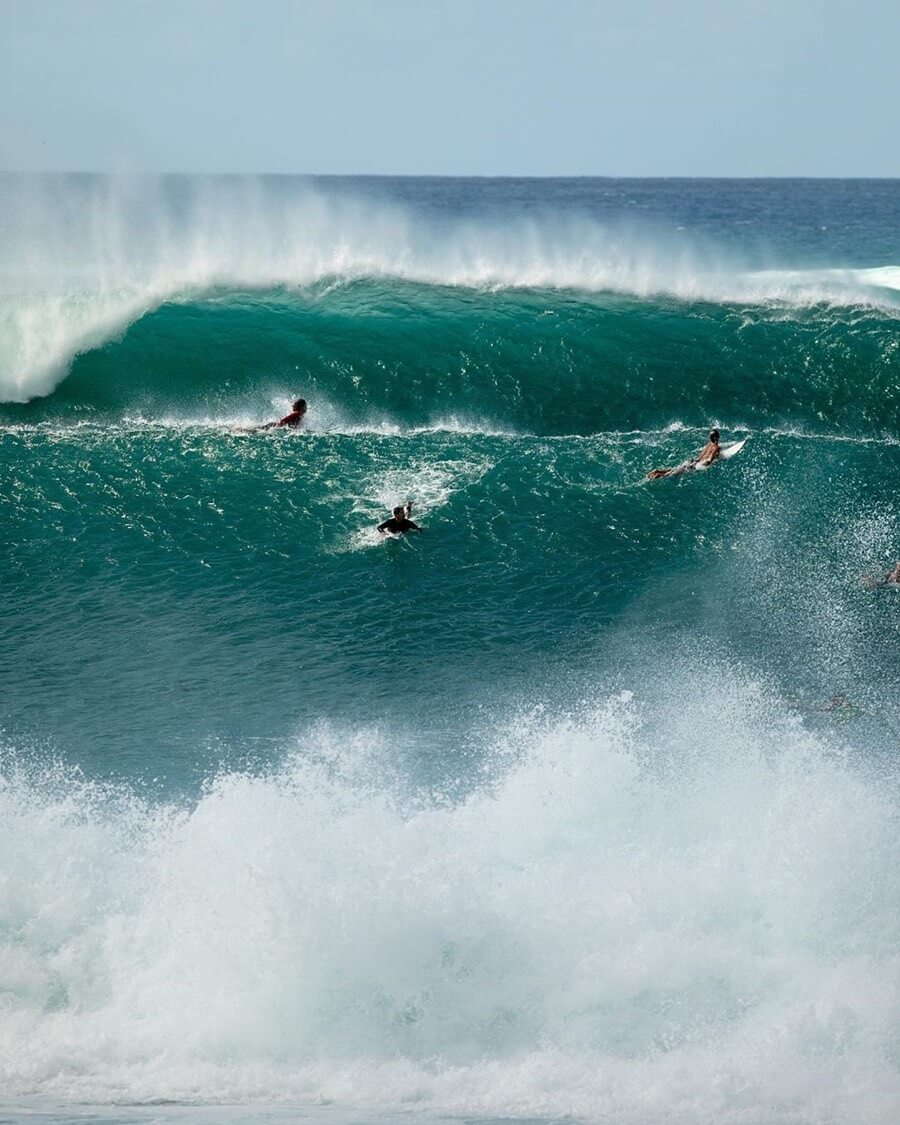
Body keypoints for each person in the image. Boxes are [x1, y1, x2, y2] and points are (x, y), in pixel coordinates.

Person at [646, 428, 722, 480]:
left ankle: (657, 471)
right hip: (696, 465)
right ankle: (657, 475)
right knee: (672, 474)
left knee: (674, 470)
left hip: (693, 462)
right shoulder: (716, 447)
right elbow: (709, 460)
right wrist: (707, 464)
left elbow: (699, 457)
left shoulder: (707, 445)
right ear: (716, 437)